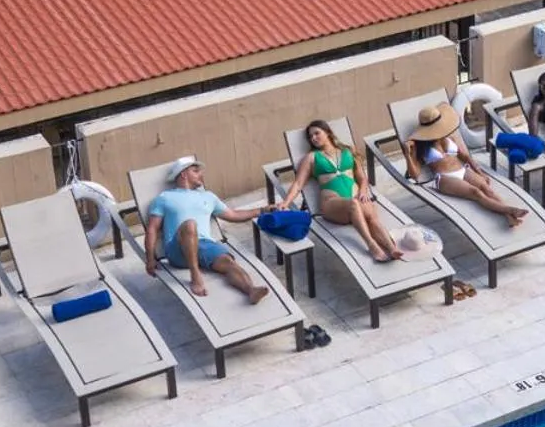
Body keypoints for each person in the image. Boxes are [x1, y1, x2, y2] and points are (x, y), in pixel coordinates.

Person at [143, 157, 269, 304]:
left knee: (229, 263)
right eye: (195, 171)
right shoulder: (165, 198)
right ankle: (195, 275)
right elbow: (152, 229)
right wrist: (150, 258)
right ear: (183, 174)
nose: (201, 174)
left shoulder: (209, 196)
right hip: (178, 248)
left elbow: (233, 215)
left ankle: (251, 290)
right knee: (190, 224)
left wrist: (262, 210)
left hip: (205, 245)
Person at [279, 119, 401, 263]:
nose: (314, 138)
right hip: (332, 204)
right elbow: (298, 184)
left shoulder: (348, 151)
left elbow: (362, 178)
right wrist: (286, 203)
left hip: (356, 197)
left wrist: (363, 191)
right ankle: (372, 245)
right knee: (353, 204)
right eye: (311, 137)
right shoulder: (311, 158)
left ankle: (391, 248)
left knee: (372, 216)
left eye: (317, 133)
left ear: (328, 133)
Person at [405, 102, 527, 227]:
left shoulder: (449, 138)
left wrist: (479, 172)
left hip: (463, 170)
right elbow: (415, 175)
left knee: (487, 189)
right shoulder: (420, 148)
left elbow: (465, 156)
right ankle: (510, 210)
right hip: (445, 178)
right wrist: (408, 155)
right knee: (476, 193)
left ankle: (509, 217)